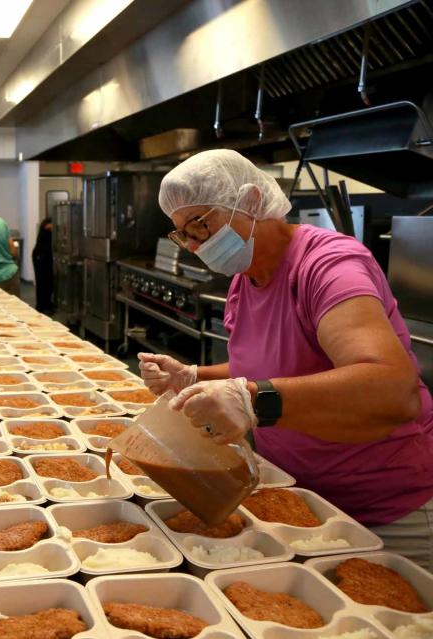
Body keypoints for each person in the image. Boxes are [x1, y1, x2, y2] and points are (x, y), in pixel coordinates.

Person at [138, 149, 433, 569]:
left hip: (385, 508)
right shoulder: (246, 279)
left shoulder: (328, 265)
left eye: (201, 224)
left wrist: (254, 400)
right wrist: (192, 376)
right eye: (183, 233)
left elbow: (392, 390)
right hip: (299, 499)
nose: (194, 244)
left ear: (252, 201)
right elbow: (268, 369)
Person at [32, 217, 54, 313]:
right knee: (42, 281)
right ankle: (40, 306)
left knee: (48, 281)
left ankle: (47, 303)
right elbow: (51, 227)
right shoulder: (47, 223)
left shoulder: (48, 222)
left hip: (45, 255)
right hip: (40, 255)